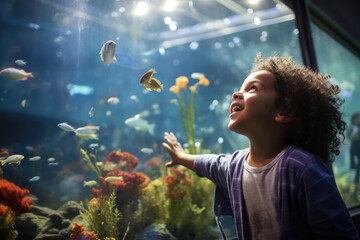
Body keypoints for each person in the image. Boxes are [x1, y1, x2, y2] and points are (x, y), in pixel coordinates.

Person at [162, 54, 359, 240]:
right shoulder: (236, 165)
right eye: (241, 88)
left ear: (284, 111)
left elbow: (338, 233)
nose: (236, 94)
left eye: (252, 88)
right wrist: (181, 157)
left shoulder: (303, 168)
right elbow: (210, 164)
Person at [347, 112, 360, 182]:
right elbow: (350, 138)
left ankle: (356, 180)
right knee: (352, 165)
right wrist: (357, 132)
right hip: (354, 148)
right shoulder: (350, 128)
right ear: (355, 119)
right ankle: (352, 181)